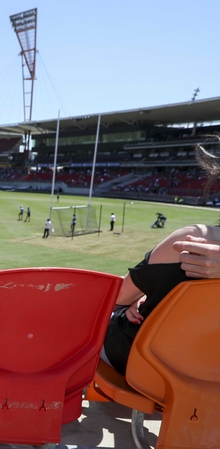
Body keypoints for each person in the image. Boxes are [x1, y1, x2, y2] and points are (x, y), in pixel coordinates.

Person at [102, 138, 220, 375]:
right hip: (208, 371)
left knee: (87, 313)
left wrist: (142, 292)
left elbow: (118, 297)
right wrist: (149, 290)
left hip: (150, 365)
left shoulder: (193, 239)